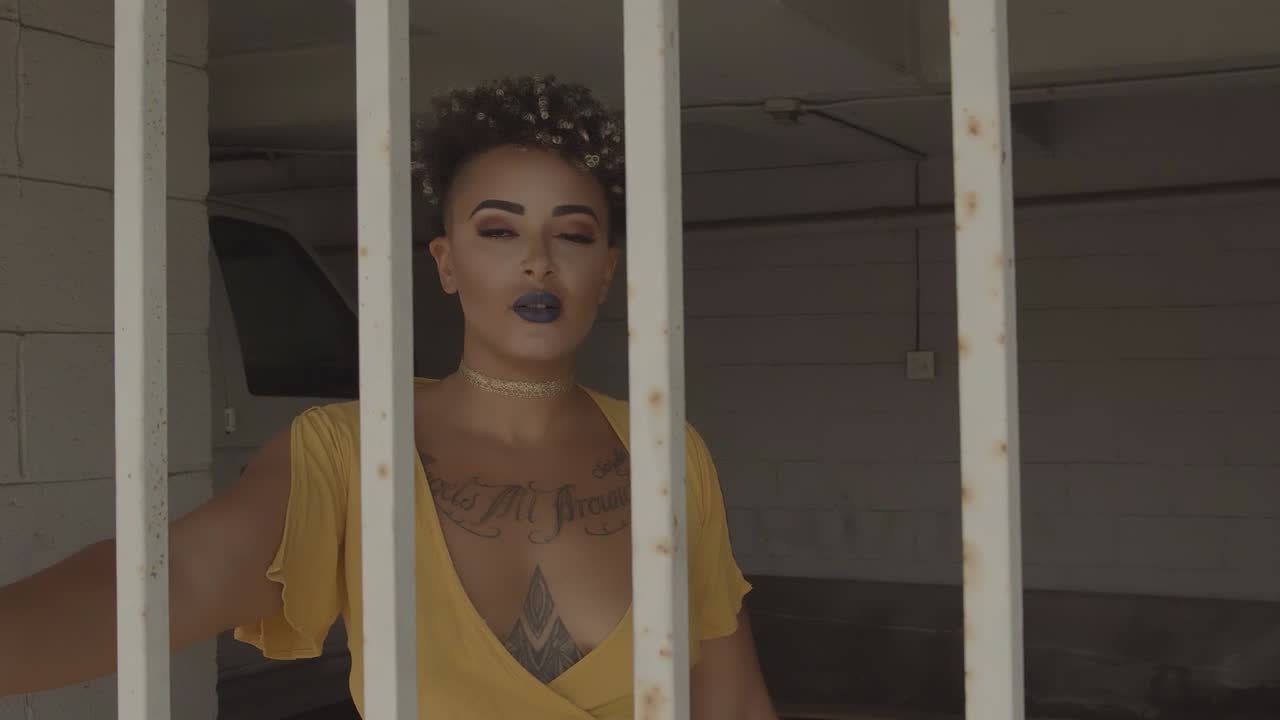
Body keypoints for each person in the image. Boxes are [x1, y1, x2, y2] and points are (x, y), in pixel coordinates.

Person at [0, 75, 776, 719]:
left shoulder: (666, 451)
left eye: (571, 235)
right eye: (499, 232)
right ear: (446, 262)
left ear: (607, 269)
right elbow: (175, 578)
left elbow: (733, 703)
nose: (537, 262)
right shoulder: (353, 449)